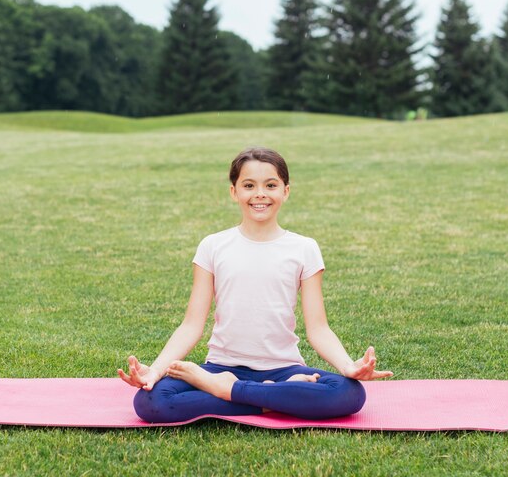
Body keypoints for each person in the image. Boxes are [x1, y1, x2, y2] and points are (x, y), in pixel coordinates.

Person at [118, 147, 392, 423]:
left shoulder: (304, 248)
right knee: (150, 402)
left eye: (270, 185)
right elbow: (191, 325)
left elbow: (318, 328)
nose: (260, 193)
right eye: (249, 185)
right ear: (234, 192)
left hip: (283, 370)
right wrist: (154, 371)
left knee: (349, 393)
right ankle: (270, 398)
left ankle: (229, 391)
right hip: (220, 367)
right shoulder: (213, 246)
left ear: (285, 191)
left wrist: (348, 366)